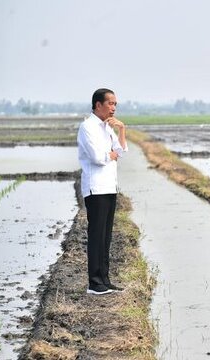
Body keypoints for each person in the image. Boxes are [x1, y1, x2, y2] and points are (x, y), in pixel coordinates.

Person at [77, 88, 127, 295]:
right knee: (96, 235)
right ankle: (95, 283)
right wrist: (112, 154)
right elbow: (98, 157)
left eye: (115, 104)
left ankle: (105, 280)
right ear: (98, 105)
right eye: (110, 103)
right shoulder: (87, 126)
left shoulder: (108, 127)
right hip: (95, 187)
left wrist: (122, 129)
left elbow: (121, 151)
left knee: (106, 236)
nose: (113, 108)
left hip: (109, 186)